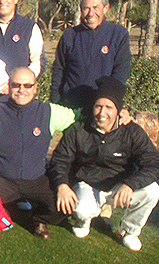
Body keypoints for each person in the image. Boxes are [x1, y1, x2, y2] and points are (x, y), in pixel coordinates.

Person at [50, 76, 159, 251]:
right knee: (81, 210)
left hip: (121, 186)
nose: (102, 112)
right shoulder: (79, 129)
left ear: (118, 110)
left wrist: (131, 184)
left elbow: (153, 163)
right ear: (92, 107)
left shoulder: (132, 131)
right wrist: (61, 184)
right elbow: (60, 160)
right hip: (89, 184)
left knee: (152, 191)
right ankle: (82, 220)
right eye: (98, 106)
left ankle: (128, 231)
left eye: (109, 107)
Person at [0, 67, 77, 239]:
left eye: (27, 85)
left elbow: (77, 117)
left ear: (35, 88)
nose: (21, 90)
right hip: (4, 178)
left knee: (65, 205)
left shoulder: (49, 112)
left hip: (37, 178)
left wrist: (117, 115)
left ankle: (39, 220)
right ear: (9, 86)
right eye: (16, 85)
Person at [51, 0, 131, 109]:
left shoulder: (118, 34)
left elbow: (121, 73)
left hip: (102, 109)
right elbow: (58, 71)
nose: (91, 13)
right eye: (86, 8)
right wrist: (55, 105)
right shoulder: (69, 36)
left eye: (96, 8)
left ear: (106, 8)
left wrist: (109, 103)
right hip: (71, 107)